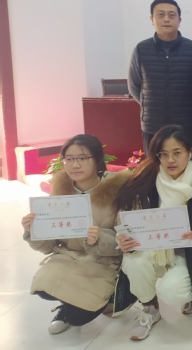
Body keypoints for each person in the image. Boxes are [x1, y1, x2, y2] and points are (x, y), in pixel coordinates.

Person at [114, 125, 192, 341]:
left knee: (172, 292)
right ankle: (150, 308)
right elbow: (126, 219)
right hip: (154, 247)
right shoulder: (146, 178)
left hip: (190, 254)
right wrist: (124, 238)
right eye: (163, 154)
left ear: (190, 152)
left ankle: (189, 293)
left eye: (177, 152)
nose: (170, 160)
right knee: (134, 263)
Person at [21, 135, 131, 334]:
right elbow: (48, 246)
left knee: (78, 318)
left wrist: (99, 238)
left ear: (97, 160)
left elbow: (127, 238)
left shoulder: (118, 191)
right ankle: (68, 306)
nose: (75, 165)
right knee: (44, 289)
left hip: (103, 262)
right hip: (68, 256)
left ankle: (114, 295)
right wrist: (33, 231)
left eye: (82, 158)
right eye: (69, 159)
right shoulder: (60, 192)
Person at [128, 0, 192, 156]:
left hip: (186, 125)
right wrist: (149, 105)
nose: (166, 19)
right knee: (154, 167)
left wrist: (190, 107)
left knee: (187, 168)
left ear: (179, 20)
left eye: (171, 15)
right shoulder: (141, 50)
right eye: (160, 15)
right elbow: (134, 86)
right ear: (152, 19)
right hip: (152, 125)